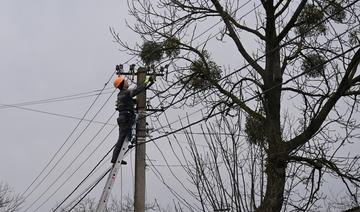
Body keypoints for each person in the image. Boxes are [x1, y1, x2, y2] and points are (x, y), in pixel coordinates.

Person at [111, 75, 154, 164]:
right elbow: (137, 91)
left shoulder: (122, 95)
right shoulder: (125, 93)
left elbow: (133, 97)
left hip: (125, 118)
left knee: (123, 138)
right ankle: (115, 158)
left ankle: (116, 158)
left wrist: (149, 84)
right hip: (125, 118)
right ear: (122, 84)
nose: (127, 82)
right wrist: (146, 82)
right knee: (122, 139)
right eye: (125, 81)